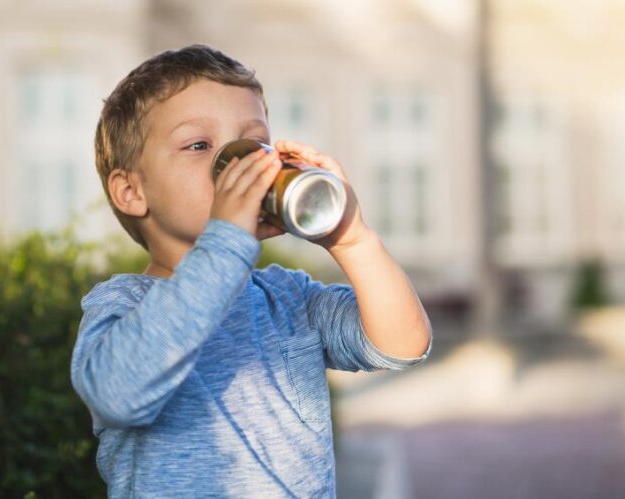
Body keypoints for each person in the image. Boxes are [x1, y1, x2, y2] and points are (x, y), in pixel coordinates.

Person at [70, 44, 432, 498]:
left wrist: (353, 239)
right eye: (199, 146)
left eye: (253, 146)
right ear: (131, 191)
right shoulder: (122, 305)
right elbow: (118, 394)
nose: (238, 166)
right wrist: (225, 242)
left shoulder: (287, 298)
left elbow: (401, 345)